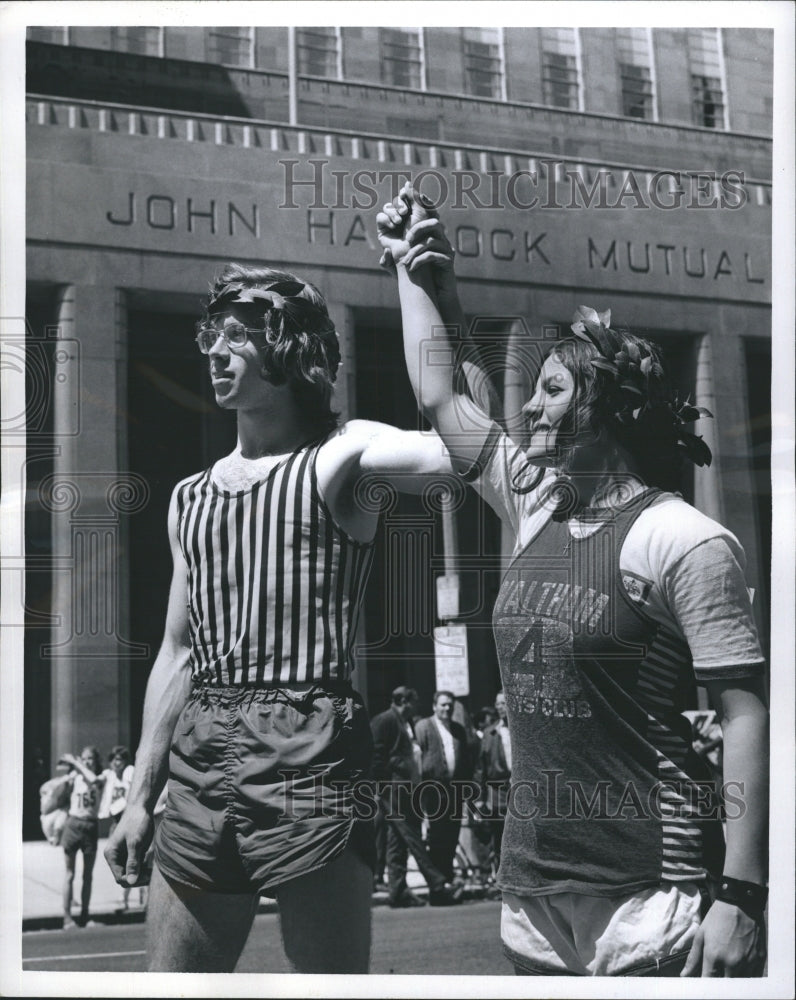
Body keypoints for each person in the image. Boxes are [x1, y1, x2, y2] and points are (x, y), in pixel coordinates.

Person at [376, 186, 769, 978]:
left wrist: (743, 895)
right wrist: (416, 274)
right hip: (533, 898)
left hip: (654, 899)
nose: (532, 410)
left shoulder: (684, 538)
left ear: (611, 411)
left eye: (554, 390)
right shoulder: (533, 504)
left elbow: (748, 717)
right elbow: (441, 396)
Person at [104, 264, 454, 973]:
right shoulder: (189, 497)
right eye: (211, 333)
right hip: (202, 750)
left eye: (237, 334)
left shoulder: (342, 457)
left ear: (289, 350)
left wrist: (426, 290)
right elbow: (177, 653)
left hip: (312, 748)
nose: (214, 349)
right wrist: (140, 797)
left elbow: (461, 451)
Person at [370, 687, 463, 907]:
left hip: (406, 788)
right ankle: (438, 884)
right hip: (394, 789)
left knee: (397, 841)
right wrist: (382, 786)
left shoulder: (405, 722)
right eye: (414, 701)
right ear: (403, 700)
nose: (416, 706)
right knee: (413, 837)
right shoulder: (385, 721)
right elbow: (376, 755)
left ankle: (398, 891)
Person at [414, 690, 470, 882]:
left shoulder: (458, 729)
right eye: (443, 704)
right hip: (433, 791)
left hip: (454, 792)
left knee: (451, 836)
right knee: (436, 837)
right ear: (434, 706)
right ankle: (437, 882)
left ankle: (447, 877)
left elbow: (466, 762)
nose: (447, 708)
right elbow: (418, 758)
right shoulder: (423, 727)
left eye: (450, 705)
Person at [59, 746, 107, 929]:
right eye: (84, 759)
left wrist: (75, 762)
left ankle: (85, 915)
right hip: (73, 823)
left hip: (90, 826)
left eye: (90, 759)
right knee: (69, 873)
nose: (87, 762)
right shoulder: (75, 777)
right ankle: (67, 918)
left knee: (87, 874)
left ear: (96, 761)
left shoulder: (102, 776)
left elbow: (94, 779)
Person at [474, 690, 512, 870]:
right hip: (498, 791)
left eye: (503, 703)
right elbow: (481, 769)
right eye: (497, 704)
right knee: (500, 835)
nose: (500, 707)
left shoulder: (521, 731)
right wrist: (481, 799)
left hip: (522, 789)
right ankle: (500, 874)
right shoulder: (490, 734)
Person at [100, 746, 138, 910]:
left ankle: (127, 897)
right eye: (114, 759)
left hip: (129, 821)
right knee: (118, 857)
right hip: (117, 822)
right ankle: (126, 894)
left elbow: (135, 790)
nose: (117, 763)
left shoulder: (130, 772)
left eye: (120, 759)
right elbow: (96, 779)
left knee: (133, 857)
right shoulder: (109, 775)